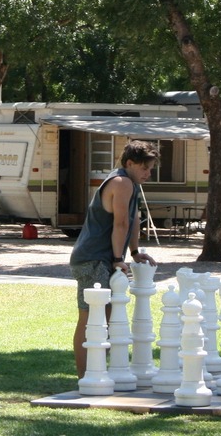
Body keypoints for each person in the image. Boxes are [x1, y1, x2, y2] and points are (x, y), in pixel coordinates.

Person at [69, 140, 160, 379]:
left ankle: (96, 372)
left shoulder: (133, 184)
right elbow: (119, 222)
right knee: (91, 319)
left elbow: (132, 221)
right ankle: (85, 378)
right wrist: (118, 258)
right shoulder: (122, 182)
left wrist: (135, 252)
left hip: (102, 257)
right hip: (93, 258)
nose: (148, 173)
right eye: (144, 168)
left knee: (105, 320)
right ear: (130, 163)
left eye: (150, 169)